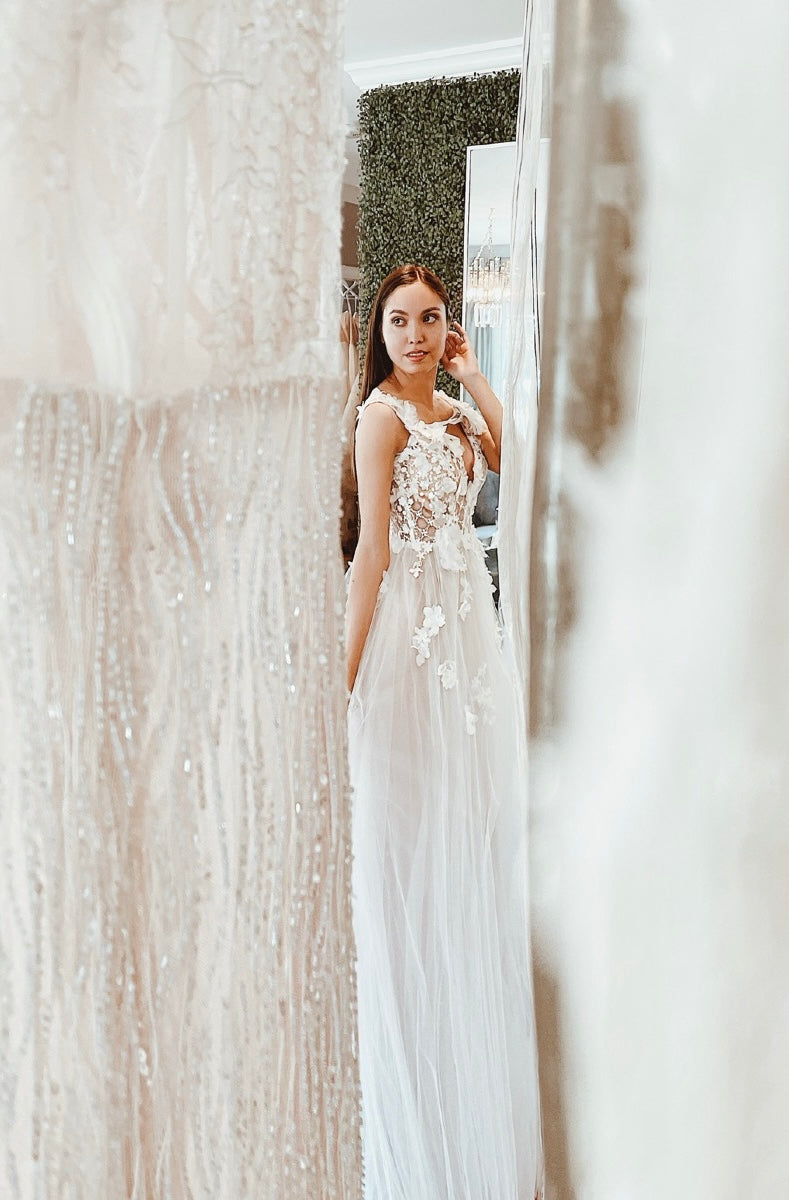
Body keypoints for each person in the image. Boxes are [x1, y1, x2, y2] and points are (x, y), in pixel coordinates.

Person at [346, 263, 543, 1200]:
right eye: (399, 321)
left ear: (448, 328)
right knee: (411, 849)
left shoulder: (457, 415)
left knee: (475, 846)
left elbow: (517, 459)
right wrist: (338, 687)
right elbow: (370, 555)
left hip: (471, 651)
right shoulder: (379, 417)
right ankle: (418, 1064)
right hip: (409, 657)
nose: (415, 336)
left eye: (430, 321)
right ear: (378, 332)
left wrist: (473, 378)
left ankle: (470, 1053)